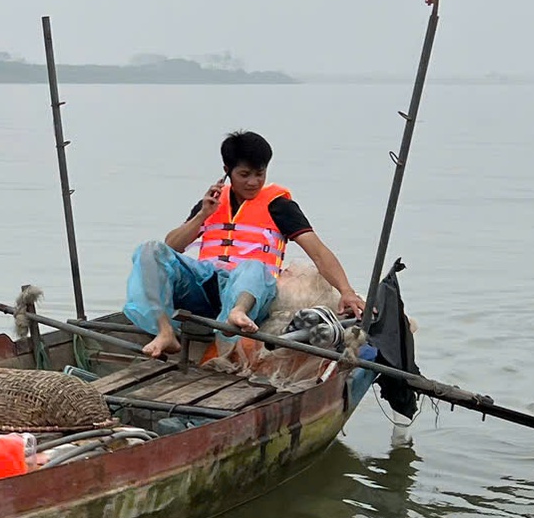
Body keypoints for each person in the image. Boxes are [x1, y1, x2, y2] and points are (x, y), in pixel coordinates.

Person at [123, 130, 363, 362]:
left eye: (260, 174)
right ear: (227, 171)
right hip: (207, 285)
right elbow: (172, 246)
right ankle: (165, 332)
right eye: (244, 174)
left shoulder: (279, 206)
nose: (253, 182)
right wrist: (202, 216)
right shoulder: (212, 203)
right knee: (150, 250)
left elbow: (319, 253)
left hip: (252, 291)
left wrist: (346, 291)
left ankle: (237, 313)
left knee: (253, 266)